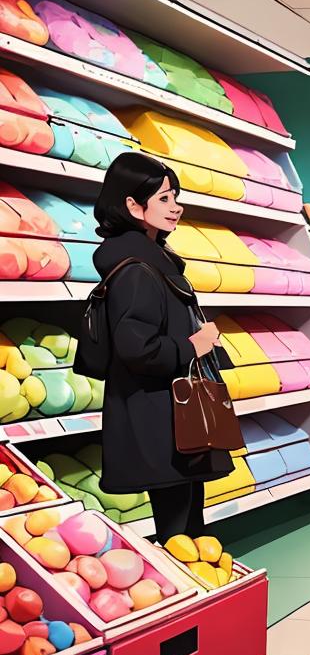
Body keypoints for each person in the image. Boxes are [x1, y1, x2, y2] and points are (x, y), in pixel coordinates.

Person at [91, 152, 233, 543]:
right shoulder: (137, 268)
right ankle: (187, 597)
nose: (176, 208)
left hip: (171, 411)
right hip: (160, 416)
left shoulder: (152, 260)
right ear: (133, 206)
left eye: (176, 197)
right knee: (177, 528)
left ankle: (201, 596)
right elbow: (137, 348)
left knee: (188, 518)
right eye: (165, 199)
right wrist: (195, 344)